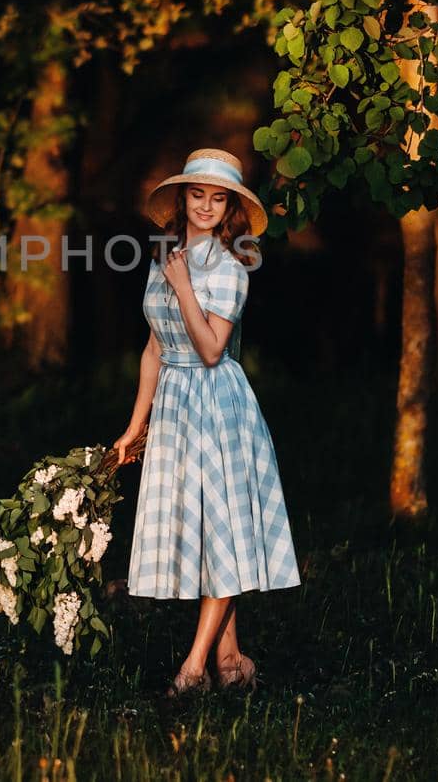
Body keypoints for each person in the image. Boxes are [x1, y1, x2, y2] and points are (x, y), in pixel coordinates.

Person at [111, 147, 301, 696]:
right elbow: (153, 349)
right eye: (198, 195)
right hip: (174, 403)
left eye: (219, 199)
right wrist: (134, 427)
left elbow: (213, 348)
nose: (206, 207)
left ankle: (193, 670)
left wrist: (184, 287)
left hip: (217, 404)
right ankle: (233, 661)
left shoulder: (232, 266)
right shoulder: (165, 258)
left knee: (222, 528)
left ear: (230, 209)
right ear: (182, 197)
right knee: (205, 530)